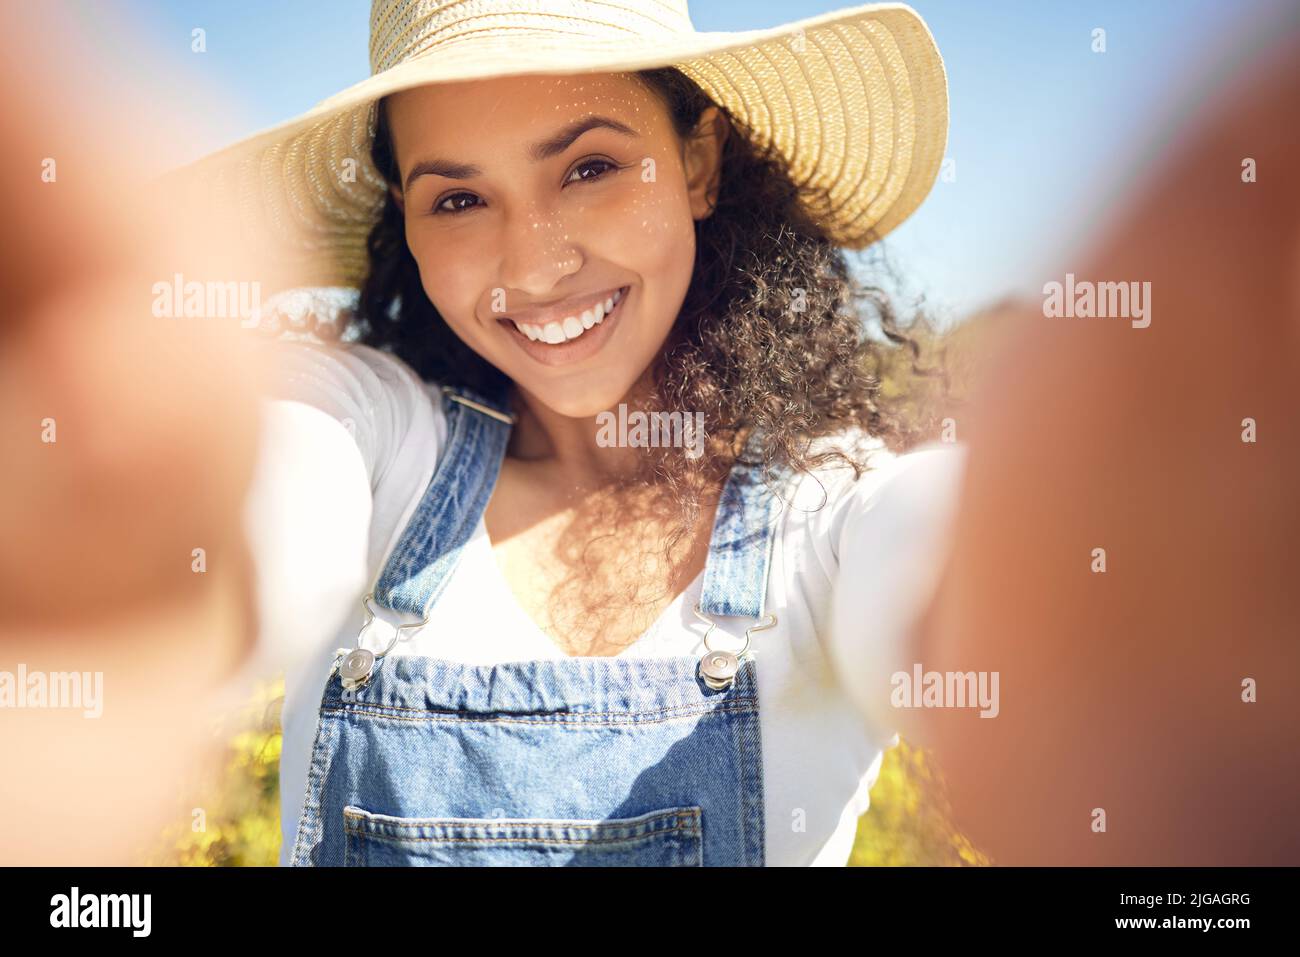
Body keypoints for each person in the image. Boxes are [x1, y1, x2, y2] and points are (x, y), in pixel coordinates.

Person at [177, 0, 962, 866]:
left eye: (590, 168)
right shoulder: (373, 441)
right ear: (405, 215)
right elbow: (271, 497)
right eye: (461, 198)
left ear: (698, 162)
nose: (534, 265)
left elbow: (945, 566)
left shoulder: (829, 512)